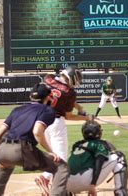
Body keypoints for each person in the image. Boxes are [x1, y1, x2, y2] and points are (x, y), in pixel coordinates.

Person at [0, 83, 68, 196]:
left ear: (31, 97)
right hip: (21, 149)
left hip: (2, 148)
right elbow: (37, 132)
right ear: (48, 98)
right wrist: (51, 152)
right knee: (61, 167)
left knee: (4, 166)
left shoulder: (17, 109)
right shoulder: (48, 110)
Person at [35, 66, 92, 196]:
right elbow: (69, 116)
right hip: (56, 122)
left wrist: (78, 106)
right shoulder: (69, 93)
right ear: (72, 78)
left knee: (54, 155)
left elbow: (56, 93)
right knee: (61, 159)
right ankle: (46, 178)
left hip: (40, 122)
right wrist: (86, 118)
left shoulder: (48, 79)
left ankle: (50, 179)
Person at [66, 120, 128, 196]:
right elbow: (99, 163)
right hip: (86, 182)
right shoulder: (99, 144)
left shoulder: (77, 145)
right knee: (119, 156)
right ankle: (121, 193)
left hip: (66, 184)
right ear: (98, 133)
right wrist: (93, 184)